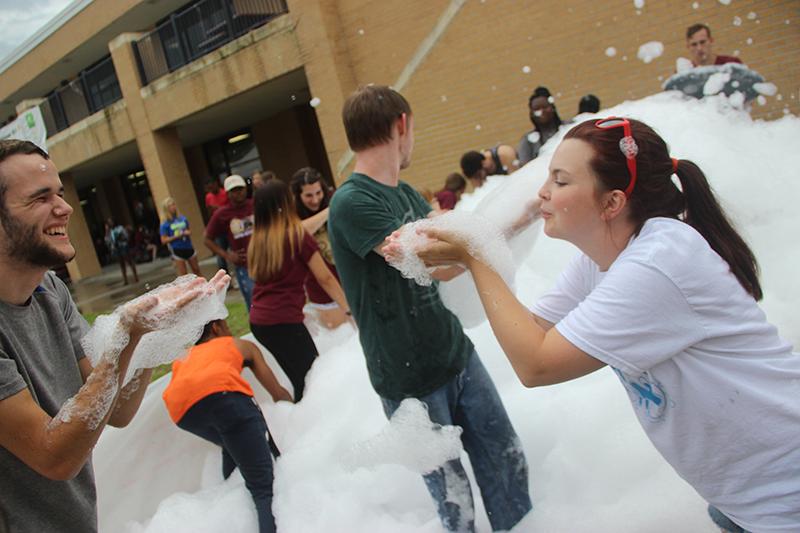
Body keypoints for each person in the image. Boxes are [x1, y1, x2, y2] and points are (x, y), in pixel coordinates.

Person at [417, 117, 800, 533]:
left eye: (561, 182)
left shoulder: (659, 261)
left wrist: (476, 259)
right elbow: (534, 331)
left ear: (612, 203)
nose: (543, 192)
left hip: (784, 492)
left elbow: (537, 365)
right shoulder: (603, 260)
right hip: (743, 500)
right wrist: (469, 252)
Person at [328, 85, 531, 532]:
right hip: (407, 380)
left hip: (455, 353)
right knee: (456, 507)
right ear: (401, 125)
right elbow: (424, 259)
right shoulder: (350, 202)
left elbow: (451, 260)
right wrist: (512, 222)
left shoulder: (406, 196)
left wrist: (520, 215)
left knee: (506, 465)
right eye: (413, 129)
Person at [0, 139, 226, 533]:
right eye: (40, 198)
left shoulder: (50, 291)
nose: (65, 208)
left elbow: (116, 409)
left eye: (60, 193)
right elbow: (55, 456)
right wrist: (126, 333)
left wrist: (156, 335)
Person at [162, 318, 292, 533]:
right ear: (216, 327)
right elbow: (277, 392)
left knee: (231, 443)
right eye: (227, 324)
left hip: (181, 412)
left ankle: (229, 508)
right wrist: (296, 410)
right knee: (262, 487)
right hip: (224, 396)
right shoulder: (238, 344)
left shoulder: (185, 358)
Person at [248, 179, 350, 402]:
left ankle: (301, 421)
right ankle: (312, 429)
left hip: (260, 322)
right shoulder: (297, 237)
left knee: (301, 379)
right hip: (282, 321)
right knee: (313, 379)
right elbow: (324, 278)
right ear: (286, 203)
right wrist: (349, 310)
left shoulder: (259, 240)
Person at [290, 167, 349, 329]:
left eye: (318, 193)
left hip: (349, 280)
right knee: (339, 337)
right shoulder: (292, 213)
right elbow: (297, 232)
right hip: (321, 290)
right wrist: (329, 211)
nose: (315, 199)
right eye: (309, 195)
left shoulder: (333, 198)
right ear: (298, 195)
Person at [205, 175, 255, 310]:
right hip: (245, 266)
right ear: (227, 193)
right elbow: (207, 239)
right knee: (254, 305)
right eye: (233, 190)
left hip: (267, 262)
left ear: (245, 189)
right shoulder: (222, 213)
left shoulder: (256, 204)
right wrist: (227, 255)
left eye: (240, 189)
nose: (238, 193)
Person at [517, 86, 563, 166]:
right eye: (537, 109)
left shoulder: (569, 127)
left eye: (545, 107)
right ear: (531, 114)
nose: (542, 111)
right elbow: (525, 170)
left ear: (552, 108)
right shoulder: (528, 141)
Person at [159, 197, 202, 277]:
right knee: (184, 275)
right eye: (170, 206)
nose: (173, 207)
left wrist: (187, 233)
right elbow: (163, 240)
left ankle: (204, 287)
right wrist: (177, 236)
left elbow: (189, 230)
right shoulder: (165, 224)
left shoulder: (182, 219)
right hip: (177, 249)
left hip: (188, 246)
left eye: (173, 204)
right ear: (166, 209)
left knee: (196, 270)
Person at [105, 218, 138, 285]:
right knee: (122, 264)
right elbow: (107, 240)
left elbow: (126, 236)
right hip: (117, 249)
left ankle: (136, 277)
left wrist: (121, 238)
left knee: (129, 261)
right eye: (109, 222)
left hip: (123, 246)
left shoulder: (120, 228)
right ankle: (125, 280)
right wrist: (107, 231)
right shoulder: (110, 231)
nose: (110, 223)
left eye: (111, 222)